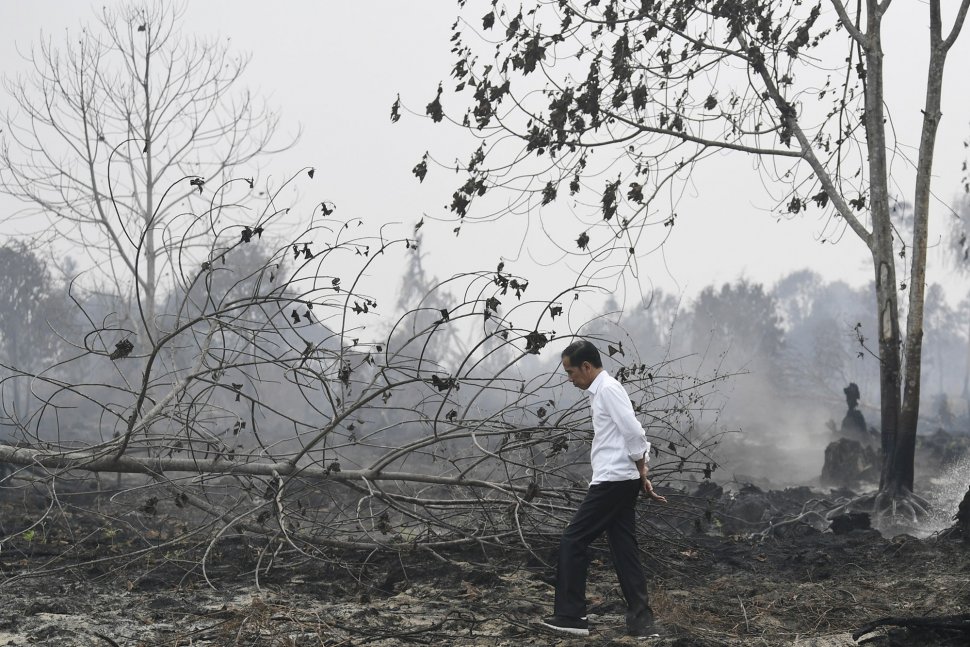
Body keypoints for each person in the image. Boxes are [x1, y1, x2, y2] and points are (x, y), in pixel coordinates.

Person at [540, 339, 667, 639]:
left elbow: (634, 431)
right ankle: (642, 623)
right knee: (624, 550)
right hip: (621, 480)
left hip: (612, 482)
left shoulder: (608, 390)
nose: (570, 379)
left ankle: (571, 616)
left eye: (571, 372)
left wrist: (642, 468)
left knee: (573, 540)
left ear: (586, 366)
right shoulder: (601, 392)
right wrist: (638, 473)